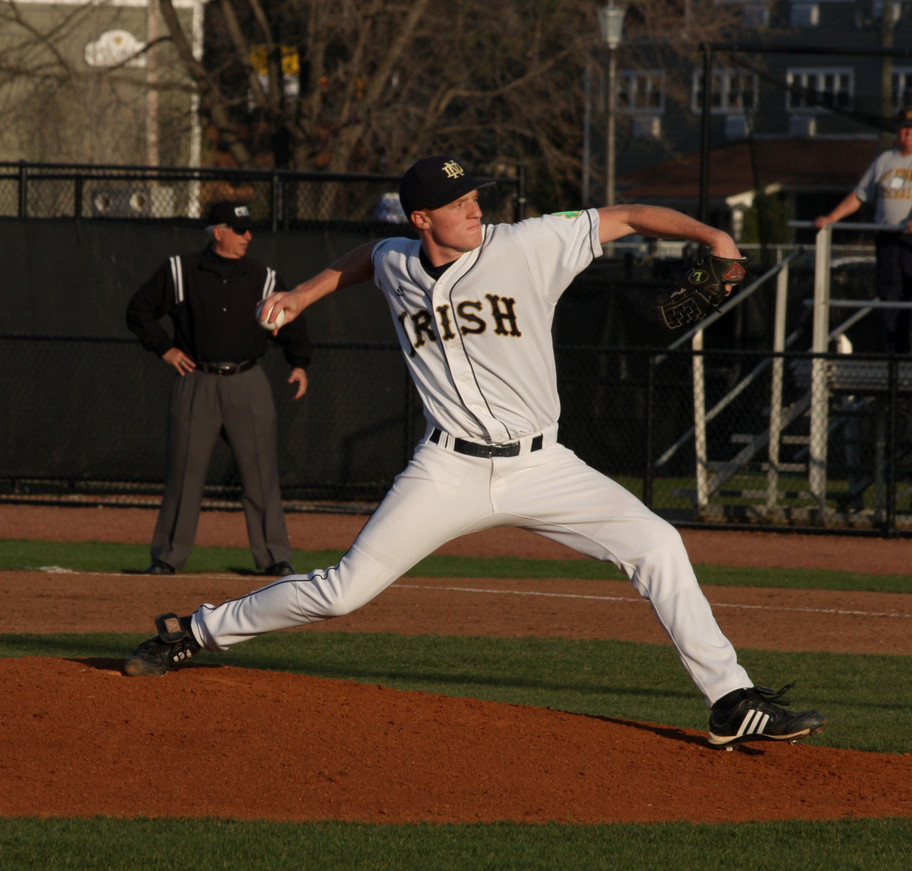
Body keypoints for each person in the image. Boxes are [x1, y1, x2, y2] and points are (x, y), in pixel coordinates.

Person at [123, 156, 827, 749]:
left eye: (473, 197)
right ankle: (194, 629)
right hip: (448, 467)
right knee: (343, 591)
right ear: (421, 219)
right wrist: (305, 294)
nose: (473, 209)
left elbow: (630, 216)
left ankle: (730, 700)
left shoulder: (525, 244)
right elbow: (369, 256)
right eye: (456, 203)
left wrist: (712, 235)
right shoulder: (399, 256)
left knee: (658, 543)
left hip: (542, 464)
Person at [126, 201, 311, 577]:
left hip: (248, 381)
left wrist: (299, 363)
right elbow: (138, 311)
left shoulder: (264, 276)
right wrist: (165, 348)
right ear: (218, 231)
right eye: (239, 229)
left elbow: (292, 322)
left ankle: (274, 557)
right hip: (197, 380)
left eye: (248, 229)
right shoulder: (180, 270)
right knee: (184, 475)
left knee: (260, 475)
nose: (248, 236)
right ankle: (167, 557)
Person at [815, 107, 912, 355]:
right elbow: (860, 195)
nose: (906, 133)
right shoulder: (884, 160)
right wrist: (831, 218)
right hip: (890, 241)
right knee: (891, 303)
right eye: (902, 128)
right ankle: (895, 363)